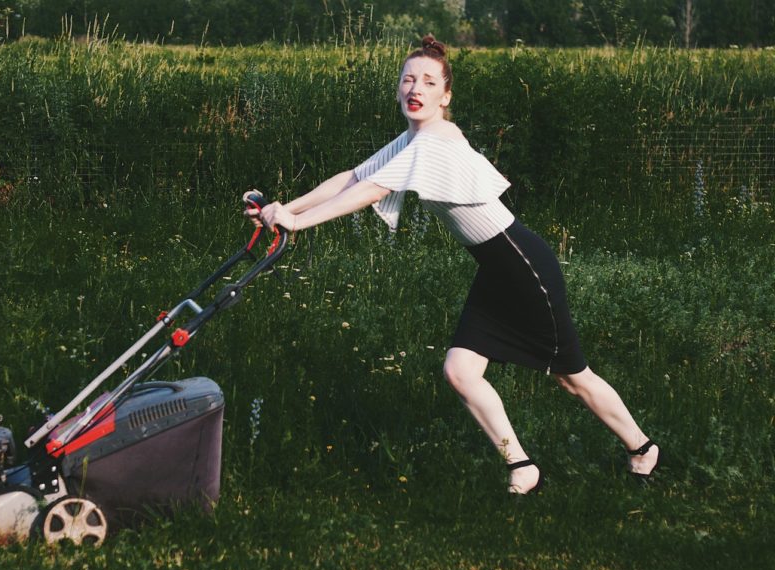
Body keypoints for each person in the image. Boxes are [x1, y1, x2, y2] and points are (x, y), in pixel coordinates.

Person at [244, 35, 661, 494]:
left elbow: (372, 192)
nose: (414, 88)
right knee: (460, 372)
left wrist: (299, 224)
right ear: (398, 89)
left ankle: (642, 448)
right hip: (494, 269)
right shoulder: (413, 139)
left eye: (427, 81)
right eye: (407, 79)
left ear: (445, 96)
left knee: (571, 377)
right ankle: (522, 467)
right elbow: (354, 177)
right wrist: (287, 209)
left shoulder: (437, 140)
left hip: (524, 264)